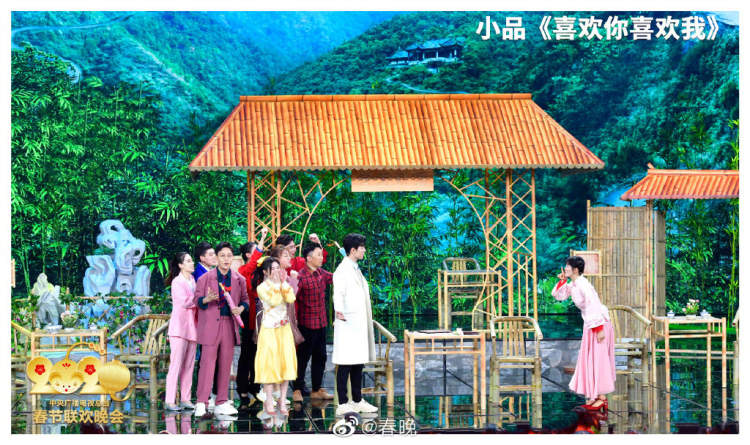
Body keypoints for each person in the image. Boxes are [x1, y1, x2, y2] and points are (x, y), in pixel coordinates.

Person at [552, 255, 615, 411]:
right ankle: (594, 396)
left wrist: (599, 329)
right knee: (590, 359)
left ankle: (602, 398)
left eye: (568, 267)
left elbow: (593, 305)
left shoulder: (583, 284)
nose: (565, 268)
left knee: (598, 359)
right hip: (591, 324)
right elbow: (559, 296)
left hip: (598, 324)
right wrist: (562, 281)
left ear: (575, 270)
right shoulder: (574, 284)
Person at [194, 242, 249, 417]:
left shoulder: (239, 279)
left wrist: (241, 308)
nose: (226, 259)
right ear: (217, 258)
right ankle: (201, 402)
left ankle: (221, 401)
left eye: (229, 256)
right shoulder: (205, 278)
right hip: (210, 325)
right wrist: (206, 299)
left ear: (233, 258)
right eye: (222, 256)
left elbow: (246, 300)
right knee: (207, 365)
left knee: (226, 364)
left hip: (229, 325)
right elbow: (196, 301)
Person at [332, 233, 377, 416]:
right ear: (353, 250)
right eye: (362, 248)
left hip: (357, 322)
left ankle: (357, 400)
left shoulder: (354, 267)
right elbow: (338, 293)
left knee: (358, 362)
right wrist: (339, 310)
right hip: (347, 321)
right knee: (345, 363)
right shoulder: (342, 270)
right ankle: (343, 403)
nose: (364, 250)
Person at [253, 257, 297, 415]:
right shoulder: (262, 287)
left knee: (286, 364)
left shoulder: (284, 284)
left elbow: (291, 298)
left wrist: (284, 284)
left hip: (284, 329)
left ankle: (283, 400)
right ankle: (269, 400)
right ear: (265, 272)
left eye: (278, 267)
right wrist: (282, 286)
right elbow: (274, 300)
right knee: (269, 365)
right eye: (273, 268)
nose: (277, 271)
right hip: (269, 329)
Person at [292, 242, 335, 402]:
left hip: (321, 323)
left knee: (321, 357)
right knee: (303, 358)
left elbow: (335, 278)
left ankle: (316, 389)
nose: (321, 257)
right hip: (306, 324)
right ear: (309, 258)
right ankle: (297, 389)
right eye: (318, 255)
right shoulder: (300, 276)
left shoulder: (321, 273)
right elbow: (292, 298)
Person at [235, 227, 269, 409]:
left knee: (258, 354)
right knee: (246, 354)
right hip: (249, 317)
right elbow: (255, 259)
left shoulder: (260, 271)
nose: (258, 254)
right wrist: (262, 238)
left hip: (261, 316)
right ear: (248, 254)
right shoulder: (243, 270)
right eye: (255, 251)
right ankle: (242, 389)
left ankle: (255, 387)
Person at [164, 252, 198, 412]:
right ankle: (170, 400)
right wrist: (201, 299)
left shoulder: (193, 280)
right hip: (179, 328)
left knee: (189, 365)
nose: (192, 263)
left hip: (193, 328)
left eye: (191, 260)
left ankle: (185, 398)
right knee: (176, 365)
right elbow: (184, 302)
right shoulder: (177, 282)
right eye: (188, 261)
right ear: (180, 265)